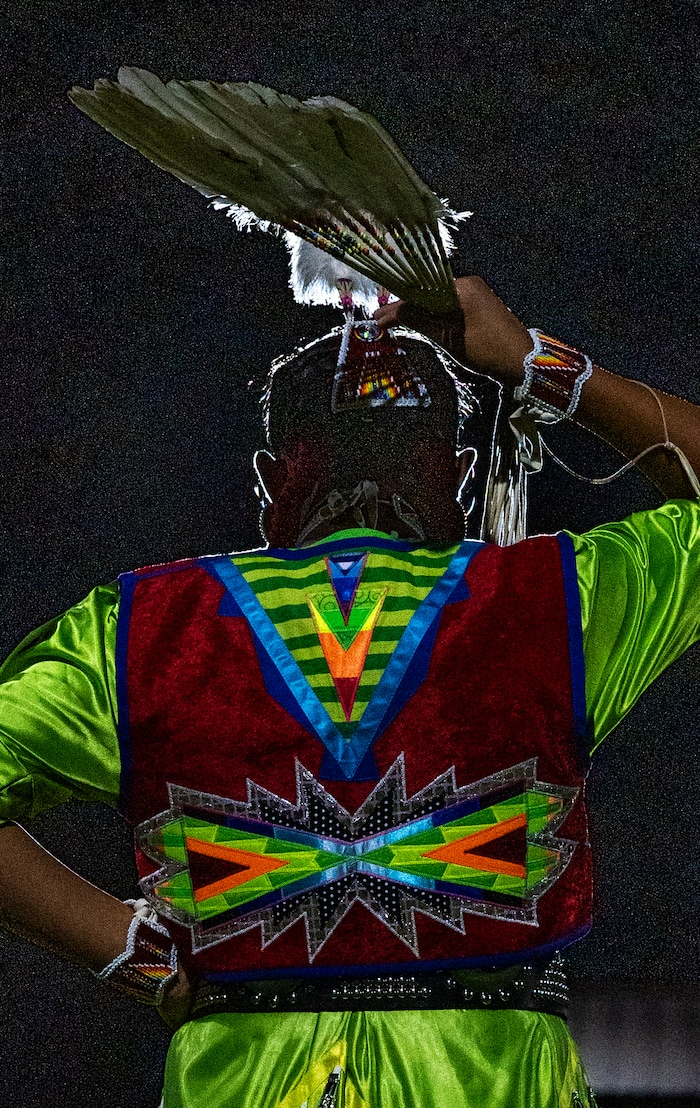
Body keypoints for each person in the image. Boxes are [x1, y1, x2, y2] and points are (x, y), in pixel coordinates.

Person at [0, 275, 699, 1108]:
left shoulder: (140, 628)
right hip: (490, 1073)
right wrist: (537, 363)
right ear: (462, 475)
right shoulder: (553, 601)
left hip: (244, 1076)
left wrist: (132, 954)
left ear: (269, 480)